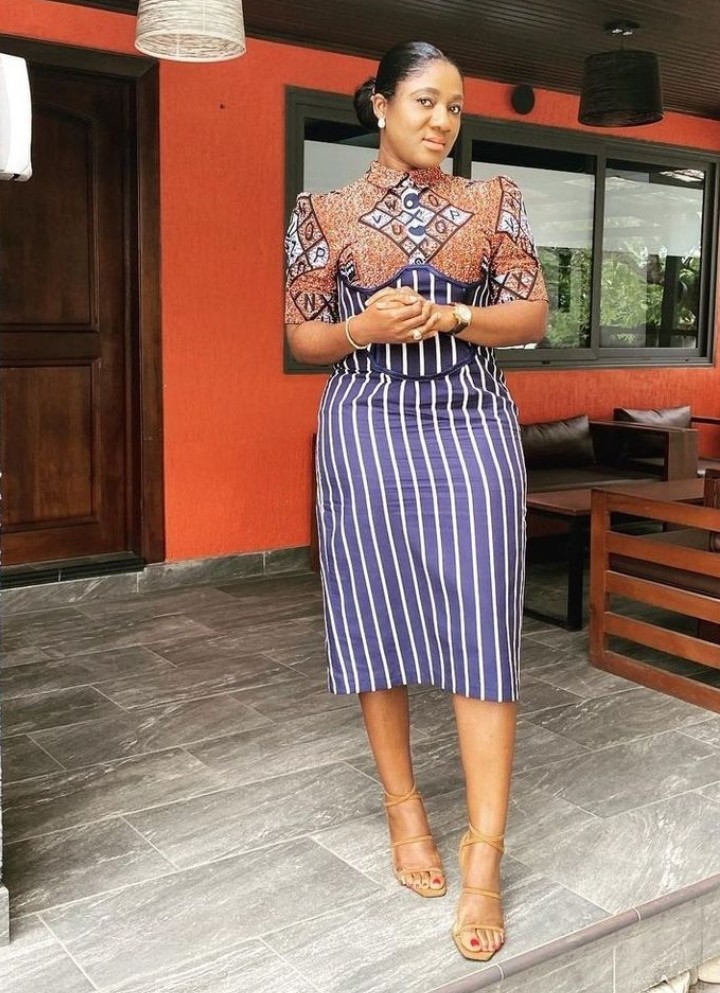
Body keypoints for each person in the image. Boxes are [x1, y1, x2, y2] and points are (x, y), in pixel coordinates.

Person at [284, 41, 548, 962]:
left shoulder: (495, 201)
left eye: (456, 107)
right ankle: (405, 813)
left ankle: (484, 855)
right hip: (365, 429)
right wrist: (360, 326)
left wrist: (455, 314)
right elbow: (303, 335)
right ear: (379, 104)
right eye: (426, 101)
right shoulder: (322, 212)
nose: (443, 121)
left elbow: (532, 316)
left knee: (483, 626)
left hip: (472, 423)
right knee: (375, 619)